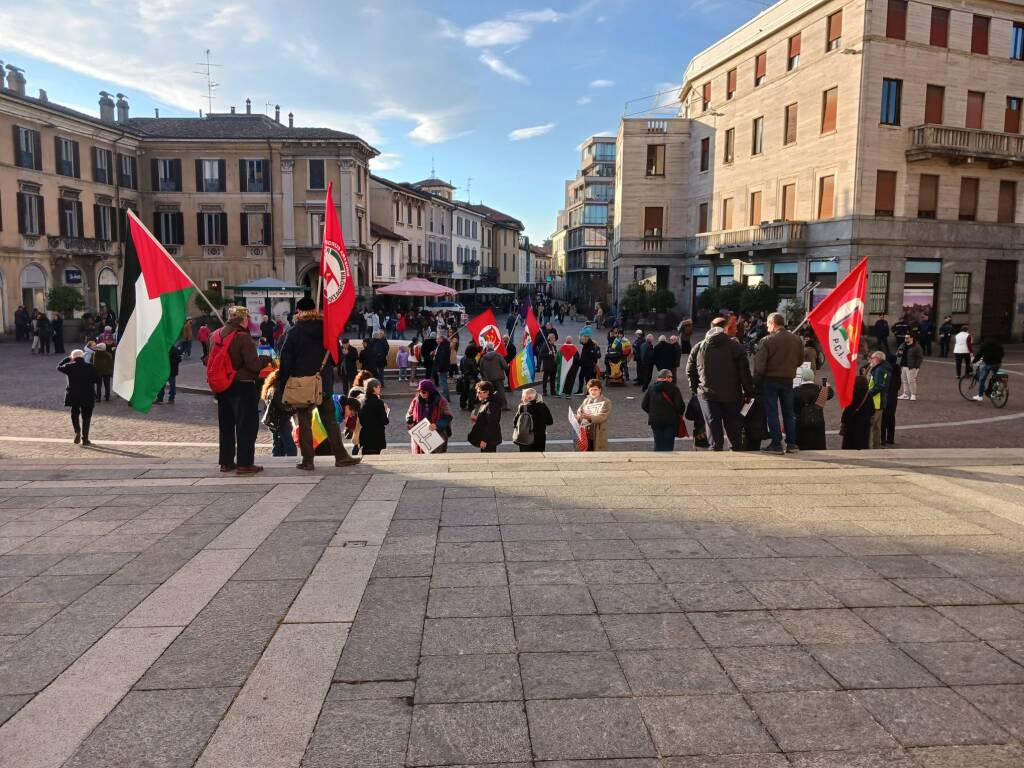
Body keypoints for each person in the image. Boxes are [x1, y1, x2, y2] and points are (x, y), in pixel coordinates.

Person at [278, 297, 360, 471]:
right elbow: (336, 358)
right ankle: (341, 456)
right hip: (323, 382)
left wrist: (284, 382)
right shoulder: (327, 329)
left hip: (301, 383)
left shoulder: (294, 332)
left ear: (298, 312)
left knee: (305, 421)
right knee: (330, 420)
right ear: (314, 309)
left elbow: (285, 359)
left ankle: (308, 460)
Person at [687, 318, 754, 451]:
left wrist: (697, 390)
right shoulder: (735, 347)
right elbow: (744, 373)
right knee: (733, 427)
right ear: (724, 330)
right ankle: (735, 451)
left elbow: (690, 371)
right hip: (732, 395)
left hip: (707, 395)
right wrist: (749, 391)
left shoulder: (699, 347)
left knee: (713, 426)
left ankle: (715, 452)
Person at [213, 306, 265, 474]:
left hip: (222, 386)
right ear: (244, 319)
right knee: (246, 425)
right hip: (242, 385)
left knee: (226, 425)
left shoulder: (215, 335)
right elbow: (253, 365)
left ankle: (226, 462)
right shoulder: (243, 337)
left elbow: (209, 359)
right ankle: (245, 463)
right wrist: (265, 359)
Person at [752, 312, 804, 454]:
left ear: (773, 324)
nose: (767, 327)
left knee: (772, 413)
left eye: (768, 324)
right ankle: (791, 443)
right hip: (788, 380)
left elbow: (760, 366)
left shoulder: (767, 340)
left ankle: (776, 444)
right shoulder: (797, 339)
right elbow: (799, 361)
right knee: (788, 412)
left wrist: (755, 381)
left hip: (770, 381)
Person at [58, 349, 99, 446]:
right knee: (86, 417)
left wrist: (67, 360)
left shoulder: (69, 366)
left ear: (73, 358)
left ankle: (77, 432)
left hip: (74, 395)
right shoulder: (91, 367)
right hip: (88, 395)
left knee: (74, 414)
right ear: (83, 356)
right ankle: (85, 439)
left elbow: (58, 367)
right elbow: (96, 380)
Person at [642, 368, 686, 451]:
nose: (672, 379)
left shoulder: (651, 388)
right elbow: (680, 406)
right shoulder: (674, 388)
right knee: (669, 443)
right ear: (668, 377)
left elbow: (644, 405)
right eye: (671, 377)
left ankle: (658, 460)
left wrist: (652, 412)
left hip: (655, 420)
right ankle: (668, 461)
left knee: (658, 443)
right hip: (671, 421)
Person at [407, 379, 453, 454]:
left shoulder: (441, 401)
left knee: (436, 459)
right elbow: (409, 414)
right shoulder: (415, 401)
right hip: (420, 437)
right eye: (419, 391)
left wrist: (437, 425)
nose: (421, 393)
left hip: (436, 435)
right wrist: (409, 421)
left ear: (430, 391)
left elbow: (448, 416)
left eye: (423, 392)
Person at [260, 368, 297, 457]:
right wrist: (294, 409)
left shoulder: (270, 388)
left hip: (273, 420)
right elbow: (282, 406)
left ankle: (277, 460)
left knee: (278, 444)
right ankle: (291, 461)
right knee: (289, 445)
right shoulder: (277, 389)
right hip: (281, 420)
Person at [865, 351, 892, 448]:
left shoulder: (879, 370)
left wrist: (867, 395)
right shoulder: (884, 368)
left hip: (876, 402)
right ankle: (875, 446)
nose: (870, 360)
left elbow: (878, 386)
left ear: (877, 359)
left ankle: (870, 447)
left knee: (871, 426)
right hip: (879, 401)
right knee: (876, 427)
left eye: (872, 358)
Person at [576, 378, 611, 451]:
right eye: (591, 390)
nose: (593, 392)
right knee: (586, 451)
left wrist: (589, 417)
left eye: (595, 389)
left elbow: (603, 416)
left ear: (600, 390)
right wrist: (578, 415)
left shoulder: (606, 401)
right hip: (586, 432)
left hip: (598, 432)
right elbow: (580, 410)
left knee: (598, 453)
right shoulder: (586, 400)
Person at [468, 380, 503, 452]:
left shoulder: (491, 405)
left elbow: (492, 424)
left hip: (489, 440)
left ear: (487, 392)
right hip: (488, 439)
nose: (477, 395)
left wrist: (484, 440)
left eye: (479, 392)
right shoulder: (487, 402)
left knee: (489, 460)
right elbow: (487, 419)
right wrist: (477, 419)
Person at [841, 376, 874, 450]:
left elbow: (847, 411)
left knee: (850, 446)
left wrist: (843, 421)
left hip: (852, 425)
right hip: (864, 425)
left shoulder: (853, 395)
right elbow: (872, 410)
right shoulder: (868, 395)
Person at [358, 378, 389, 454]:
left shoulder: (361, 400)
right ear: (374, 388)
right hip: (376, 437)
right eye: (379, 387)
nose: (380, 389)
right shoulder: (378, 402)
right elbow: (385, 421)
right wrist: (385, 411)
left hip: (364, 436)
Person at [972, 336, 1005, 402]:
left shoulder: (984, 345)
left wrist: (974, 361)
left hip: (988, 363)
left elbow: (979, 354)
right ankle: (992, 391)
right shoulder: (999, 345)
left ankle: (980, 396)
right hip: (997, 364)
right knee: (994, 377)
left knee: (982, 379)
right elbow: (1002, 354)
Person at [478, 342, 509, 411]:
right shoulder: (498, 356)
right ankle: (504, 405)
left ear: (487, 349)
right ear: (493, 348)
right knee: (501, 392)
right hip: (498, 378)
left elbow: (481, 368)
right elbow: (505, 366)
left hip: (488, 379)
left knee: (490, 393)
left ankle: (490, 406)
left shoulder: (483, 358)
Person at [881, 353, 902, 446]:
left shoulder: (887, 372)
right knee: (891, 419)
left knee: (884, 419)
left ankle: (882, 439)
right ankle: (890, 438)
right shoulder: (897, 372)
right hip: (893, 399)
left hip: (886, 397)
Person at [896, 334, 923, 401]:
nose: (906, 339)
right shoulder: (902, 345)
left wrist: (916, 366)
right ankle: (905, 394)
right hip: (903, 366)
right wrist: (899, 353)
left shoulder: (917, 347)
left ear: (912, 338)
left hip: (911, 366)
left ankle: (913, 394)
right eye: (905, 338)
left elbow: (920, 357)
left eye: (907, 338)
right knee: (904, 380)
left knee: (911, 380)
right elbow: (897, 353)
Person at [458, 343, 481, 411]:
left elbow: (461, 367)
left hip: (464, 377)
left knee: (464, 392)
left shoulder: (463, 358)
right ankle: (470, 407)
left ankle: (462, 404)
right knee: (472, 393)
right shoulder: (472, 360)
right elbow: (474, 371)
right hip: (471, 378)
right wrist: (478, 370)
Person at [434, 332, 451, 400]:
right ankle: (446, 395)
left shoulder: (443, 346)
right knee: (444, 381)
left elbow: (442, 359)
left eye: (437, 339)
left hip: (443, 367)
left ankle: (446, 396)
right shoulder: (443, 345)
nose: (436, 340)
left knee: (443, 382)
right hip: (444, 366)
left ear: (441, 339)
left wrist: (439, 369)